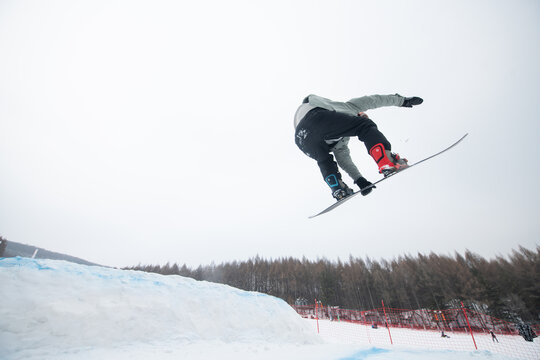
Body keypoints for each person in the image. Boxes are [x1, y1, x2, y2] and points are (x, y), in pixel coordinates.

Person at [294, 94, 423, 200]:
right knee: (365, 126)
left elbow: (344, 159)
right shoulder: (350, 107)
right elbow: (375, 100)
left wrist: (360, 180)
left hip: (302, 139)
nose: (363, 116)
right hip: (316, 117)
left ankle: (338, 189)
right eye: (362, 114)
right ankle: (386, 161)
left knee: (324, 160)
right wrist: (402, 101)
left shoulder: (340, 138)